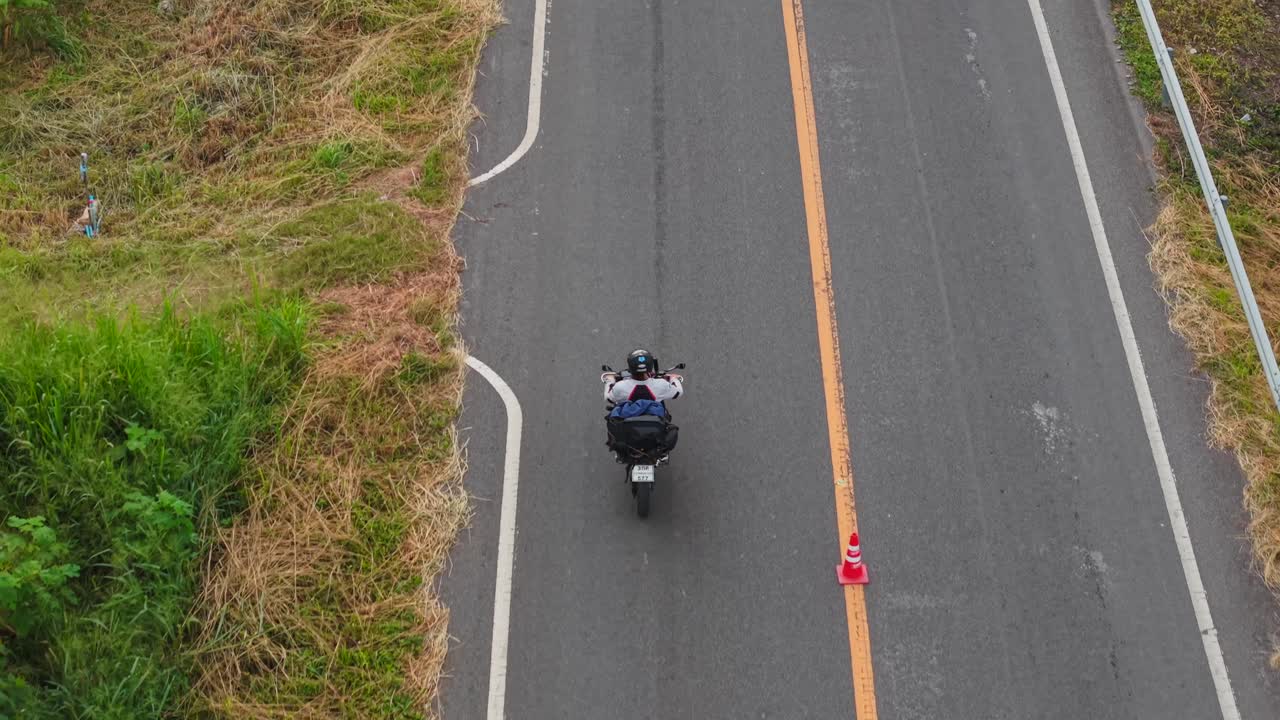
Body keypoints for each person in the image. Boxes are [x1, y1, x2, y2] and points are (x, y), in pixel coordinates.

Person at [604, 348, 683, 406]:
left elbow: (609, 398)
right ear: (650, 366)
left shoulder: (620, 387)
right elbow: (678, 392)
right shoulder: (661, 384)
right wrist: (674, 379)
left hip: (628, 424)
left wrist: (609, 381)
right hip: (654, 424)